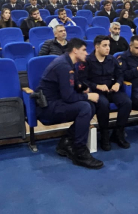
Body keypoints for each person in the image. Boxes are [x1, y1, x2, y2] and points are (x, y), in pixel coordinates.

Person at [37, 38, 104, 169]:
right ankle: (80, 152)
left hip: (58, 102)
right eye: (84, 50)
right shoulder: (63, 66)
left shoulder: (69, 63)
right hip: (48, 107)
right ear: (75, 50)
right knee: (85, 107)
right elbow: (68, 97)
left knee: (91, 106)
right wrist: (88, 95)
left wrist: (81, 87)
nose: (87, 53)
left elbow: (74, 83)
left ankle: (67, 141)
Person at [78, 35, 131, 150]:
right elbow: (82, 80)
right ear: (97, 47)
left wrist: (118, 83)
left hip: (110, 89)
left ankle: (118, 133)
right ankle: (104, 135)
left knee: (126, 102)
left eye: (109, 45)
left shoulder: (112, 59)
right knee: (103, 104)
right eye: (105, 46)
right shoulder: (87, 61)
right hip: (95, 92)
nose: (108, 48)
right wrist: (96, 86)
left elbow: (120, 74)